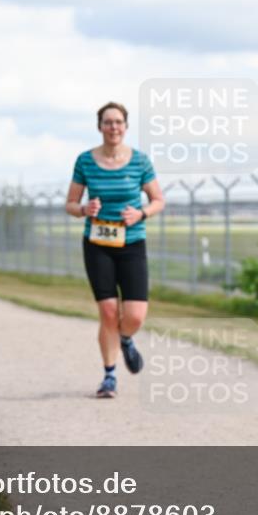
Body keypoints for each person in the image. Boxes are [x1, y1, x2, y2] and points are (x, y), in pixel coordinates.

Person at [64, 102, 165, 398]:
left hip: (132, 242)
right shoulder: (85, 161)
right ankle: (109, 376)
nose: (113, 127)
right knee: (108, 311)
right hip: (98, 244)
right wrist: (84, 209)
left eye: (118, 122)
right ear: (100, 127)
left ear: (126, 126)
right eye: (108, 122)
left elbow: (158, 200)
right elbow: (70, 204)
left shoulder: (140, 161)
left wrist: (141, 213)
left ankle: (125, 338)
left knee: (135, 316)